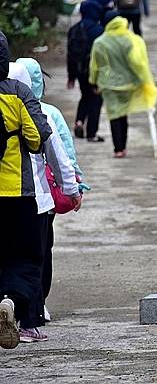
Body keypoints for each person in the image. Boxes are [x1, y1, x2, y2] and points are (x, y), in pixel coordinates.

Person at [8, 62, 82, 342]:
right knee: (33, 258)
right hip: (33, 197)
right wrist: (73, 186)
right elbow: (59, 151)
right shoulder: (40, 112)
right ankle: (27, 318)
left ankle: (8, 302)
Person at [0, 31, 52, 350]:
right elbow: (37, 136)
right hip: (17, 193)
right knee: (25, 257)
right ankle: (10, 301)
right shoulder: (18, 92)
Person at [89, 13, 157, 158]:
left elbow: (94, 65)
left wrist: (93, 81)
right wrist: (145, 80)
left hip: (108, 85)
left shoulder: (100, 42)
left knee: (114, 115)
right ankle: (124, 147)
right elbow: (137, 63)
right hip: (128, 84)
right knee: (123, 115)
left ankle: (118, 148)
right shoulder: (130, 40)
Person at [67, 0, 105, 142]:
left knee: (85, 96)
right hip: (93, 73)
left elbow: (69, 55)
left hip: (78, 72)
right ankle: (91, 133)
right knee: (96, 100)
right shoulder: (98, 31)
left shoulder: (73, 30)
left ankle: (79, 121)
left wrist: (71, 77)